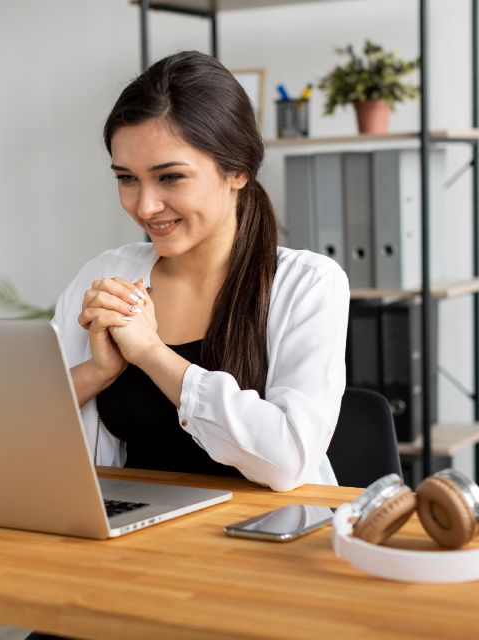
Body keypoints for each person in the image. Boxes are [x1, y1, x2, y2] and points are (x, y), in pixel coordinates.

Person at [52, 50, 349, 493]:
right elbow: (18, 431)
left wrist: (152, 354)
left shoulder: (308, 284)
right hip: (129, 536)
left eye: (169, 177)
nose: (145, 206)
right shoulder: (105, 275)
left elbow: (287, 459)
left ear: (238, 172)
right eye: (127, 178)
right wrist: (98, 371)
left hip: (263, 538)